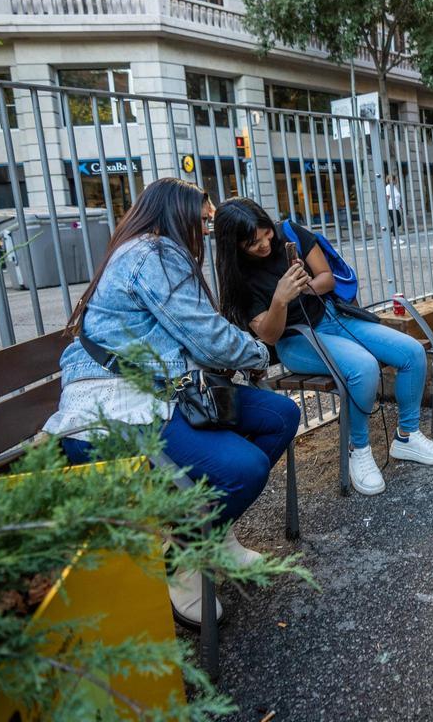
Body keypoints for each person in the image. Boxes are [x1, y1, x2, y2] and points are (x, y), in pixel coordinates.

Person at [43, 178, 301, 625]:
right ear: (175, 212)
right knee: (243, 469)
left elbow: (194, 337)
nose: (206, 230)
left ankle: (211, 535)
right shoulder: (152, 254)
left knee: (281, 415)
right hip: (116, 406)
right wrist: (260, 352)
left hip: (161, 390)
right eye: (202, 220)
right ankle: (183, 557)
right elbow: (208, 337)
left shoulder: (149, 250)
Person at [213, 197, 433, 497]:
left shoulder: (289, 233)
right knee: (362, 367)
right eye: (252, 242)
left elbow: (326, 279)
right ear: (234, 245)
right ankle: (358, 449)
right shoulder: (239, 277)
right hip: (296, 339)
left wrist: (305, 283)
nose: (264, 243)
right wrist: (280, 298)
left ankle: (406, 436)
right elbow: (270, 336)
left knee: (412, 353)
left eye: (265, 233)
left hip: (334, 318)